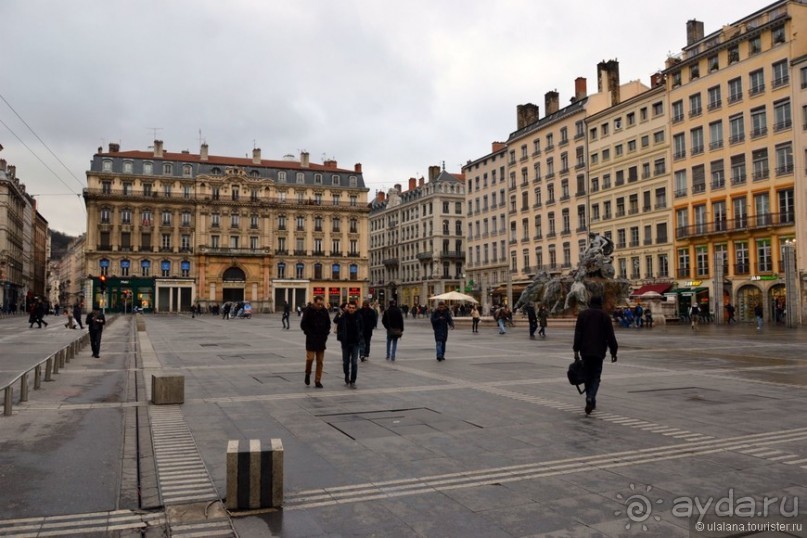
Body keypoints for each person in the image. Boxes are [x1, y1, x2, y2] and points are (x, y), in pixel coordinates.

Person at [573, 295, 617, 415]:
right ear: (600, 303)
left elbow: (578, 334)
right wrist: (614, 351)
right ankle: (591, 397)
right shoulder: (605, 316)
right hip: (599, 351)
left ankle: (590, 398)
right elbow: (610, 336)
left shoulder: (583, 315)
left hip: (585, 351)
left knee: (587, 375)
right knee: (596, 376)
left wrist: (576, 350)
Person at [300, 296, 331, 388]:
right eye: (318, 304)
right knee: (310, 359)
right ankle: (308, 373)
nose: (320, 306)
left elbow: (328, 324)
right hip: (311, 339)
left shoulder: (324, 311)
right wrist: (308, 333)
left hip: (321, 339)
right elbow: (303, 324)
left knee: (320, 361)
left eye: (321, 304)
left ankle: (318, 380)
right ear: (314, 303)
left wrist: (325, 333)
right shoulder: (308, 311)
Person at [337, 300, 364, 388]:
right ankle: (346, 375)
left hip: (355, 343)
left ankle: (353, 380)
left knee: (354, 363)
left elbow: (362, 328)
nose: (351, 309)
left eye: (353, 308)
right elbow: (338, 325)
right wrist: (341, 336)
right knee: (345, 362)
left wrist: (359, 336)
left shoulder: (359, 316)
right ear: (347, 308)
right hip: (345, 343)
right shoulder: (343, 316)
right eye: (350, 308)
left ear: (355, 309)